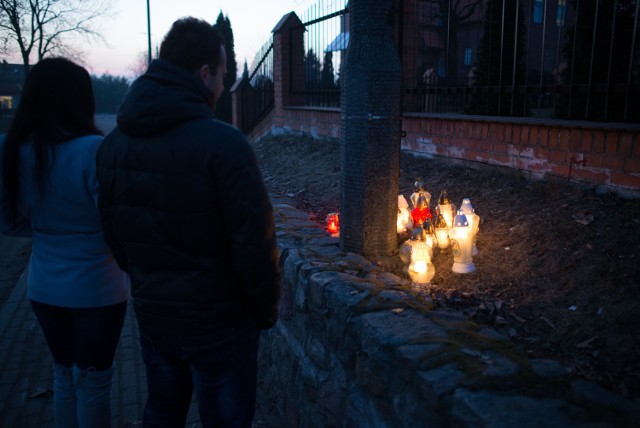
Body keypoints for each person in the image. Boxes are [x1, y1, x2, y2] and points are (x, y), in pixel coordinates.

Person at [96, 17, 281, 427]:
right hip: (220, 323)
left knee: (162, 410)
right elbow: (253, 243)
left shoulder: (112, 147)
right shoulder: (225, 145)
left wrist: (149, 281)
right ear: (204, 74)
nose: (222, 87)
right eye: (222, 77)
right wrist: (264, 311)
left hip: (154, 317)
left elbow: (115, 236)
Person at [0, 58, 130, 427]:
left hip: (43, 287)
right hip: (98, 289)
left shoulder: (11, 148)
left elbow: (7, 222)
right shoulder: (94, 150)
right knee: (94, 383)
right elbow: (114, 223)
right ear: (80, 100)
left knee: (63, 377)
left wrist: (46, 230)